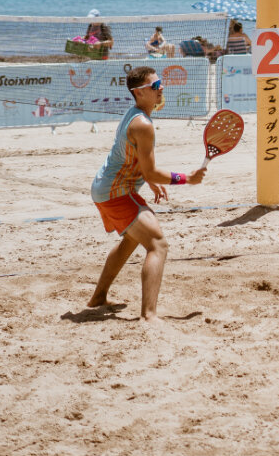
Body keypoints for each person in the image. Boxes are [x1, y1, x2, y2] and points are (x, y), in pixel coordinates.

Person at [86, 65, 207, 321]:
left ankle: (98, 298)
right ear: (139, 92)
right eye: (155, 86)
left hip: (106, 188)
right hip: (116, 192)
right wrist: (187, 178)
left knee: (131, 240)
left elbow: (136, 159)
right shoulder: (143, 124)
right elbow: (151, 171)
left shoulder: (136, 115)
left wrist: (148, 179)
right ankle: (149, 316)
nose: (161, 88)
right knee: (158, 245)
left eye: (160, 83)